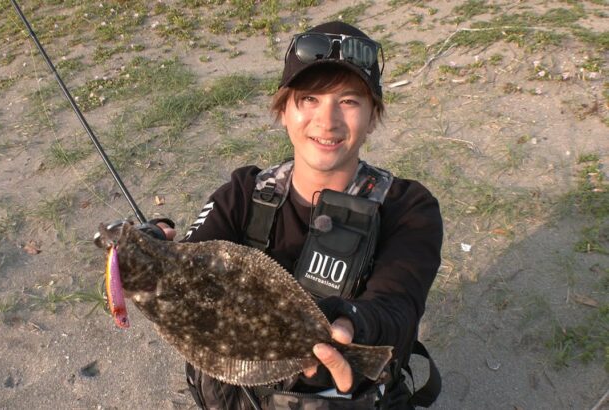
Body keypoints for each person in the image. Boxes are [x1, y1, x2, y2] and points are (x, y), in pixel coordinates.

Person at [152, 21, 443, 409]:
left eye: (349, 101)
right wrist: (153, 253)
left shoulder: (408, 207)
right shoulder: (243, 193)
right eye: (309, 99)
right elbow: (190, 265)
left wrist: (352, 322)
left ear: (373, 116)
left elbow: (397, 306)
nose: (327, 121)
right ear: (284, 111)